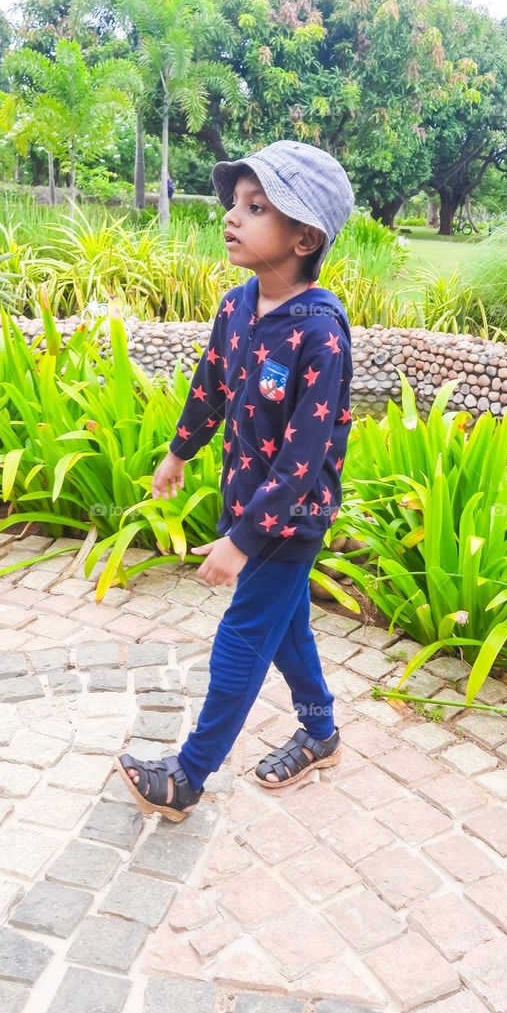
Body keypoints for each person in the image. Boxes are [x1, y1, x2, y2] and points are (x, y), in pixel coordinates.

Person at [115, 141, 355, 821]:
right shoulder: (236, 305)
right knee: (286, 628)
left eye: (256, 207)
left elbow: (303, 460)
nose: (231, 216)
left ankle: (189, 776)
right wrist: (179, 451)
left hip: (291, 517)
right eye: (233, 202)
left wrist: (244, 540)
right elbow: (211, 387)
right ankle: (321, 730)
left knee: (243, 638)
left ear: (303, 237)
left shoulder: (321, 336)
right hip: (249, 501)